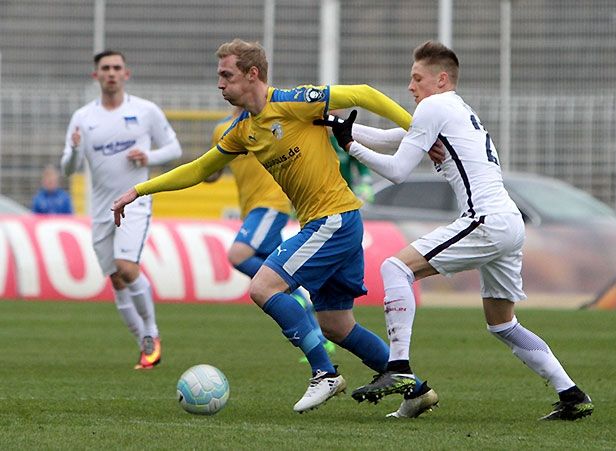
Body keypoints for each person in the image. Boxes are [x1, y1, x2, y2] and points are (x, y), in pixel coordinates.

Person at [112, 38, 427, 413]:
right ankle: (416, 389)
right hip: (332, 222)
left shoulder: (293, 102)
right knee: (336, 326)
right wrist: (139, 189)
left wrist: (417, 131)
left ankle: (324, 374)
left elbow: (363, 93)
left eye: (226, 75)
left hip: (334, 220)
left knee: (263, 287)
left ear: (252, 74)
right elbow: (198, 170)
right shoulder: (243, 130)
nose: (220, 84)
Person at [321, 40, 594, 421]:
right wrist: (339, 126)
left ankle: (398, 367)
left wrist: (349, 145)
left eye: (417, 78)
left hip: (485, 218)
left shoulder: (434, 106)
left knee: (394, 268)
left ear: (442, 79)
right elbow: (391, 138)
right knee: (503, 323)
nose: (411, 87)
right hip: (508, 221)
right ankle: (572, 395)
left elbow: (398, 171)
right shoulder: (454, 109)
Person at [61, 50, 182, 370]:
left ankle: (152, 334)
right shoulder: (83, 118)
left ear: (126, 74)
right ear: (96, 75)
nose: (111, 73)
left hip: (135, 201)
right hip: (100, 208)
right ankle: (143, 343)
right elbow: (68, 168)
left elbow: (174, 148)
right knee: (116, 279)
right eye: (105, 68)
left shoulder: (145, 111)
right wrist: (74, 148)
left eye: (116, 68)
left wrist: (149, 157)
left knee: (127, 267)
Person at [208, 107, 335, 360]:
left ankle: (299, 298)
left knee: (238, 255)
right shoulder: (223, 129)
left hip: (271, 204)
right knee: (278, 273)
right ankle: (317, 335)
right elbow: (211, 173)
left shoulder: (271, 119)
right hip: (252, 210)